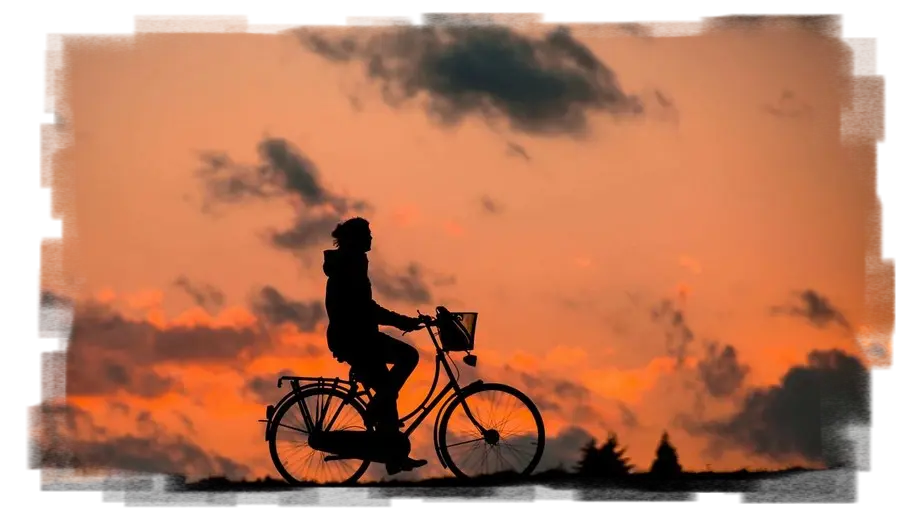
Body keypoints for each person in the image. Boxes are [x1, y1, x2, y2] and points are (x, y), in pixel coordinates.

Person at [322, 216, 428, 474]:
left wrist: (401, 321)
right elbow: (365, 309)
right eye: (367, 234)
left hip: (358, 337)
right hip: (355, 339)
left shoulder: (351, 263)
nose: (371, 238)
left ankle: (394, 456)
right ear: (356, 240)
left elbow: (365, 308)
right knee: (407, 357)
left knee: (387, 390)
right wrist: (402, 321)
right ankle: (377, 413)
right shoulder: (350, 265)